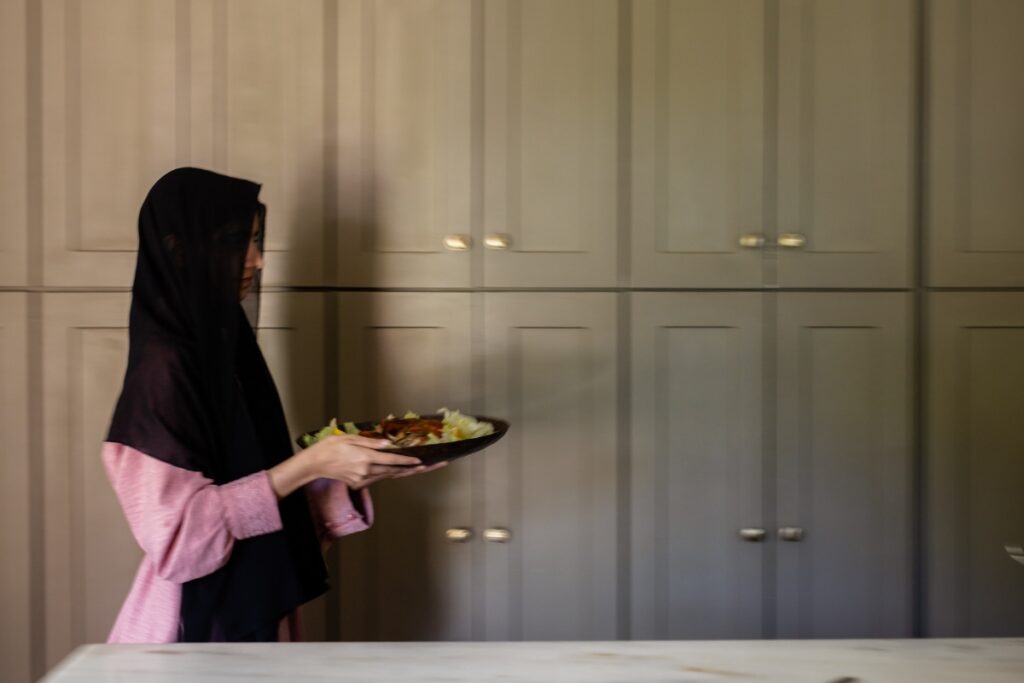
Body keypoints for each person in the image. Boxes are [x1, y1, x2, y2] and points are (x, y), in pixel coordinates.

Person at [103, 167, 442, 643]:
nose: (258, 261)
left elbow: (253, 491)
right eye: (239, 241)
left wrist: (350, 468)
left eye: (258, 241)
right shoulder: (165, 368)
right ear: (181, 248)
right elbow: (180, 543)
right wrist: (308, 465)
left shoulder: (222, 348)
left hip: (246, 611)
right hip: (200, 632)